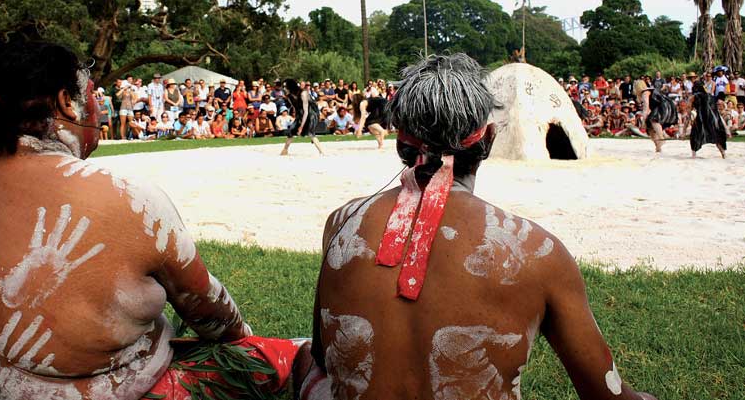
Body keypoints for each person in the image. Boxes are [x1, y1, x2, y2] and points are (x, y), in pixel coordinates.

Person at [0, 42, 312, 400]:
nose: (98, 106)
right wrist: (247, 348)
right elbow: (216, 318)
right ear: (65, 103)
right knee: (290, 355)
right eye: (92, 94)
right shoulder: (121, 195)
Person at [301, 54, 658, 400]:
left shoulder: (342, 222)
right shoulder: (538, 251)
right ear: (487, 140)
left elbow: (322, 356)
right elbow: (604, 395)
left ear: (400, 143)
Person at [280, 79, 324, 156]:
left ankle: (322, 152)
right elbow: (296, 108)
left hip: (311, 114)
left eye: (285, 86)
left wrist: (301, 126)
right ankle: (285, 150)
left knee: (310, 133)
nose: (284, 88)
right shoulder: (289, 96)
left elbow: (306, 111)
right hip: (301, 114)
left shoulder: (303, 93)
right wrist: (297, 121)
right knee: (291, 131)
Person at [688, 82, 727, 159]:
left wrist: (690, 118)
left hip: (702, 119)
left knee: (695, 135)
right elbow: (719, 103)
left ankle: (693, 155)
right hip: (714, 119)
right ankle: (723, 153)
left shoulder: (693, 97)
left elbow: (689, 109)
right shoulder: (711, 96)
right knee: (717, 135)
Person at [640, 76, 677, 153]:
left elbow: (646, 107)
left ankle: (661, 138)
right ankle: (658, 146)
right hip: (666, 105)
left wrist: (643, 119)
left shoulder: (645, 92)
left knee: (653, 119)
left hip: (664, 106)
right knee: (649, 127)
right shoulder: (649, 91)